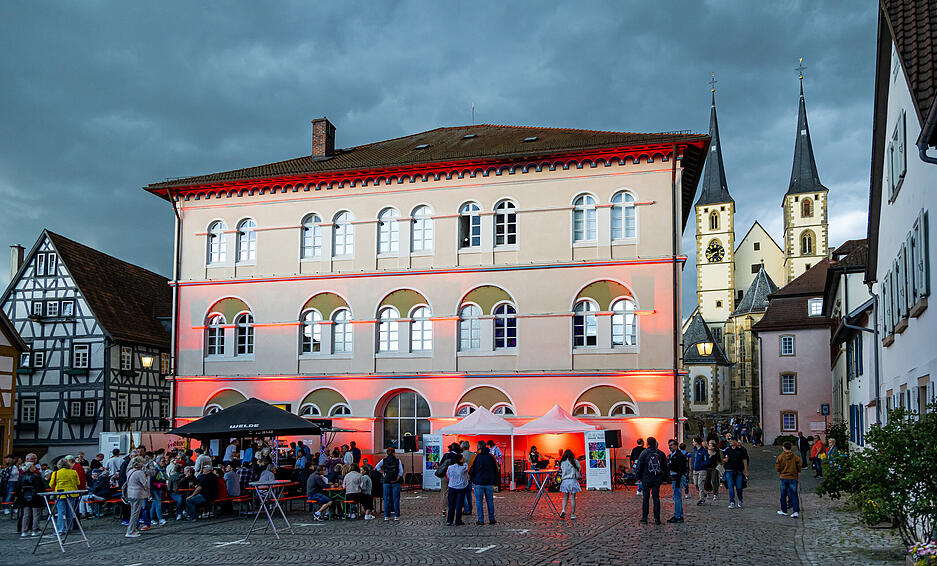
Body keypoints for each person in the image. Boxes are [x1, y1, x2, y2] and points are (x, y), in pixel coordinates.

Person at [635, 437, 668, 525]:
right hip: (656, 479)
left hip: (646, 479)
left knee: (646, 498)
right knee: (656, 498)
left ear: (647, 443)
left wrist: (637, 477)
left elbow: (639, 466)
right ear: (655, 443)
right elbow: (665, 467)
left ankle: (644, 518)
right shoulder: (661, 453)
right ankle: (657, 519)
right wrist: (665, 479)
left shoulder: (644, 453)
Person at [469, 441, 498, 525]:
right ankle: (491, 519)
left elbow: (471, 469)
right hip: (489, 482)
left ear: (478, 447)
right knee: (490, 501)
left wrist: (472, 478)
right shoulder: (491, 456)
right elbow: (496, 469)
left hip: (478, 482)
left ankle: (480, 520)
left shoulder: (475, 456)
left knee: (479, 501)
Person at [49, 458, 80, 534]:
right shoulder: (73, 472)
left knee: (61, 512)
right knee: (70, 511)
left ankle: (60, 529)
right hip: (71, 493)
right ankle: (69, 528)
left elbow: (51, 484)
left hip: (60, 494)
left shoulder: (56, 473)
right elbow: (78, 482)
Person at [122, 457, 150, 538]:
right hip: (138, 494)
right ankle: (130, 531)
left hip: (130, 494)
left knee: (133, 513)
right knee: (135, 514)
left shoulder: (130, 471)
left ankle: (132, 530)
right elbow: (145, 484)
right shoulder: (139, 473)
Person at [14, 462, 44, 536]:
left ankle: (24, 530)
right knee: (36, 514)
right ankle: (35, 529)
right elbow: (40, 487)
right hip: (35, 496)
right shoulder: (36, 476)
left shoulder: (21, 477)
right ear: (30, 468)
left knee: (26, 514)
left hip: (24, 496)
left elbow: (17, 488)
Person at [775, 441, 801, 518]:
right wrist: (798, 475)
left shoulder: (780, 457)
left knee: (783, 494)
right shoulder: (796, 457)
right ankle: (795, 511)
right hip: (793, 477)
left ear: (783, 447)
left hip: (783, 477)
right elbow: (799, 467)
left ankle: (784, 510)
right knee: (794, 494)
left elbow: (778, 468)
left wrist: (780, 472)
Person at [723, 436, 749, 509]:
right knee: (730, 486)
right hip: (729, 470)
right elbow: (724, 458)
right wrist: (725, 460)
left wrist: (746, 471)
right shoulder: (727, 450)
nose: (730, 442)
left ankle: (740, 499)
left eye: (731, 441)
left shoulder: (741, 450)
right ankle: (732, 501)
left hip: (738, 470)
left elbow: (745, 460)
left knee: (739, 487)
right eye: (729, 441)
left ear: (735, 441)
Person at [377, 447, 402, 521]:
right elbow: (401, 471)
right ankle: (396, 516)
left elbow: (377, 467)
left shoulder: (384, 460)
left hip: (386, 481)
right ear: (394, 453)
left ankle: (386, 516)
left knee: (386, 499)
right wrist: (397, 478)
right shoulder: (397, 461)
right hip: (395, 481)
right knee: (396, 499)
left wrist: (383, 473)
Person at [667, 439, 687, 523]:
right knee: (676, 497)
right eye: (669, 445)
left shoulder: (678, 455)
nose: (670, 447)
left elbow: (680, 469)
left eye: (671, 445)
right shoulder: (673, 455)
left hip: (677, 478)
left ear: (676, 446)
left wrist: (678, 481)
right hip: (675, 477)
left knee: (677, 497)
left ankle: (677, 516)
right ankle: (679, 515)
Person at [445, 453, 468, 526]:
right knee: (459, 505)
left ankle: (449, 520)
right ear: (460, 460)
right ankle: (458, 521)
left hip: (452, 486)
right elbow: (466, 465)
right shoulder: (463, 467)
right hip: (461, 487)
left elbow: (448, 476)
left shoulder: (450, 467)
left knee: (451, 504)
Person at [558, 449, 581, 520]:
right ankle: (573, 514)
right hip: (572, 481)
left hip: (565, 481)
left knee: (565, 497)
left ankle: (563, 510)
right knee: (573, 498)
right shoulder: (575, 461)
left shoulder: (562, 462)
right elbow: (579, 470)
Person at [691, 436, 710, 505]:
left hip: (702, 469)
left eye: (693, 441)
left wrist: (701, 464)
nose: (692, 443)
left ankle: (701, 499)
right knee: (696, 484)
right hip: (695, 469)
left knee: (700, 484)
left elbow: (707, 461)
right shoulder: (695, 450)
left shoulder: (704, 451)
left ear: (697, 442)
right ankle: (704, 494)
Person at [460, 440, 475, 516]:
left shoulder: (461, 455)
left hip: (464, 476)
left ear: (462, 447)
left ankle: (466, 509)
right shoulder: (473, 455)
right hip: (471, 476)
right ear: (469, 447)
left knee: (464, 494)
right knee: (469, 494)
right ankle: (470, 509)